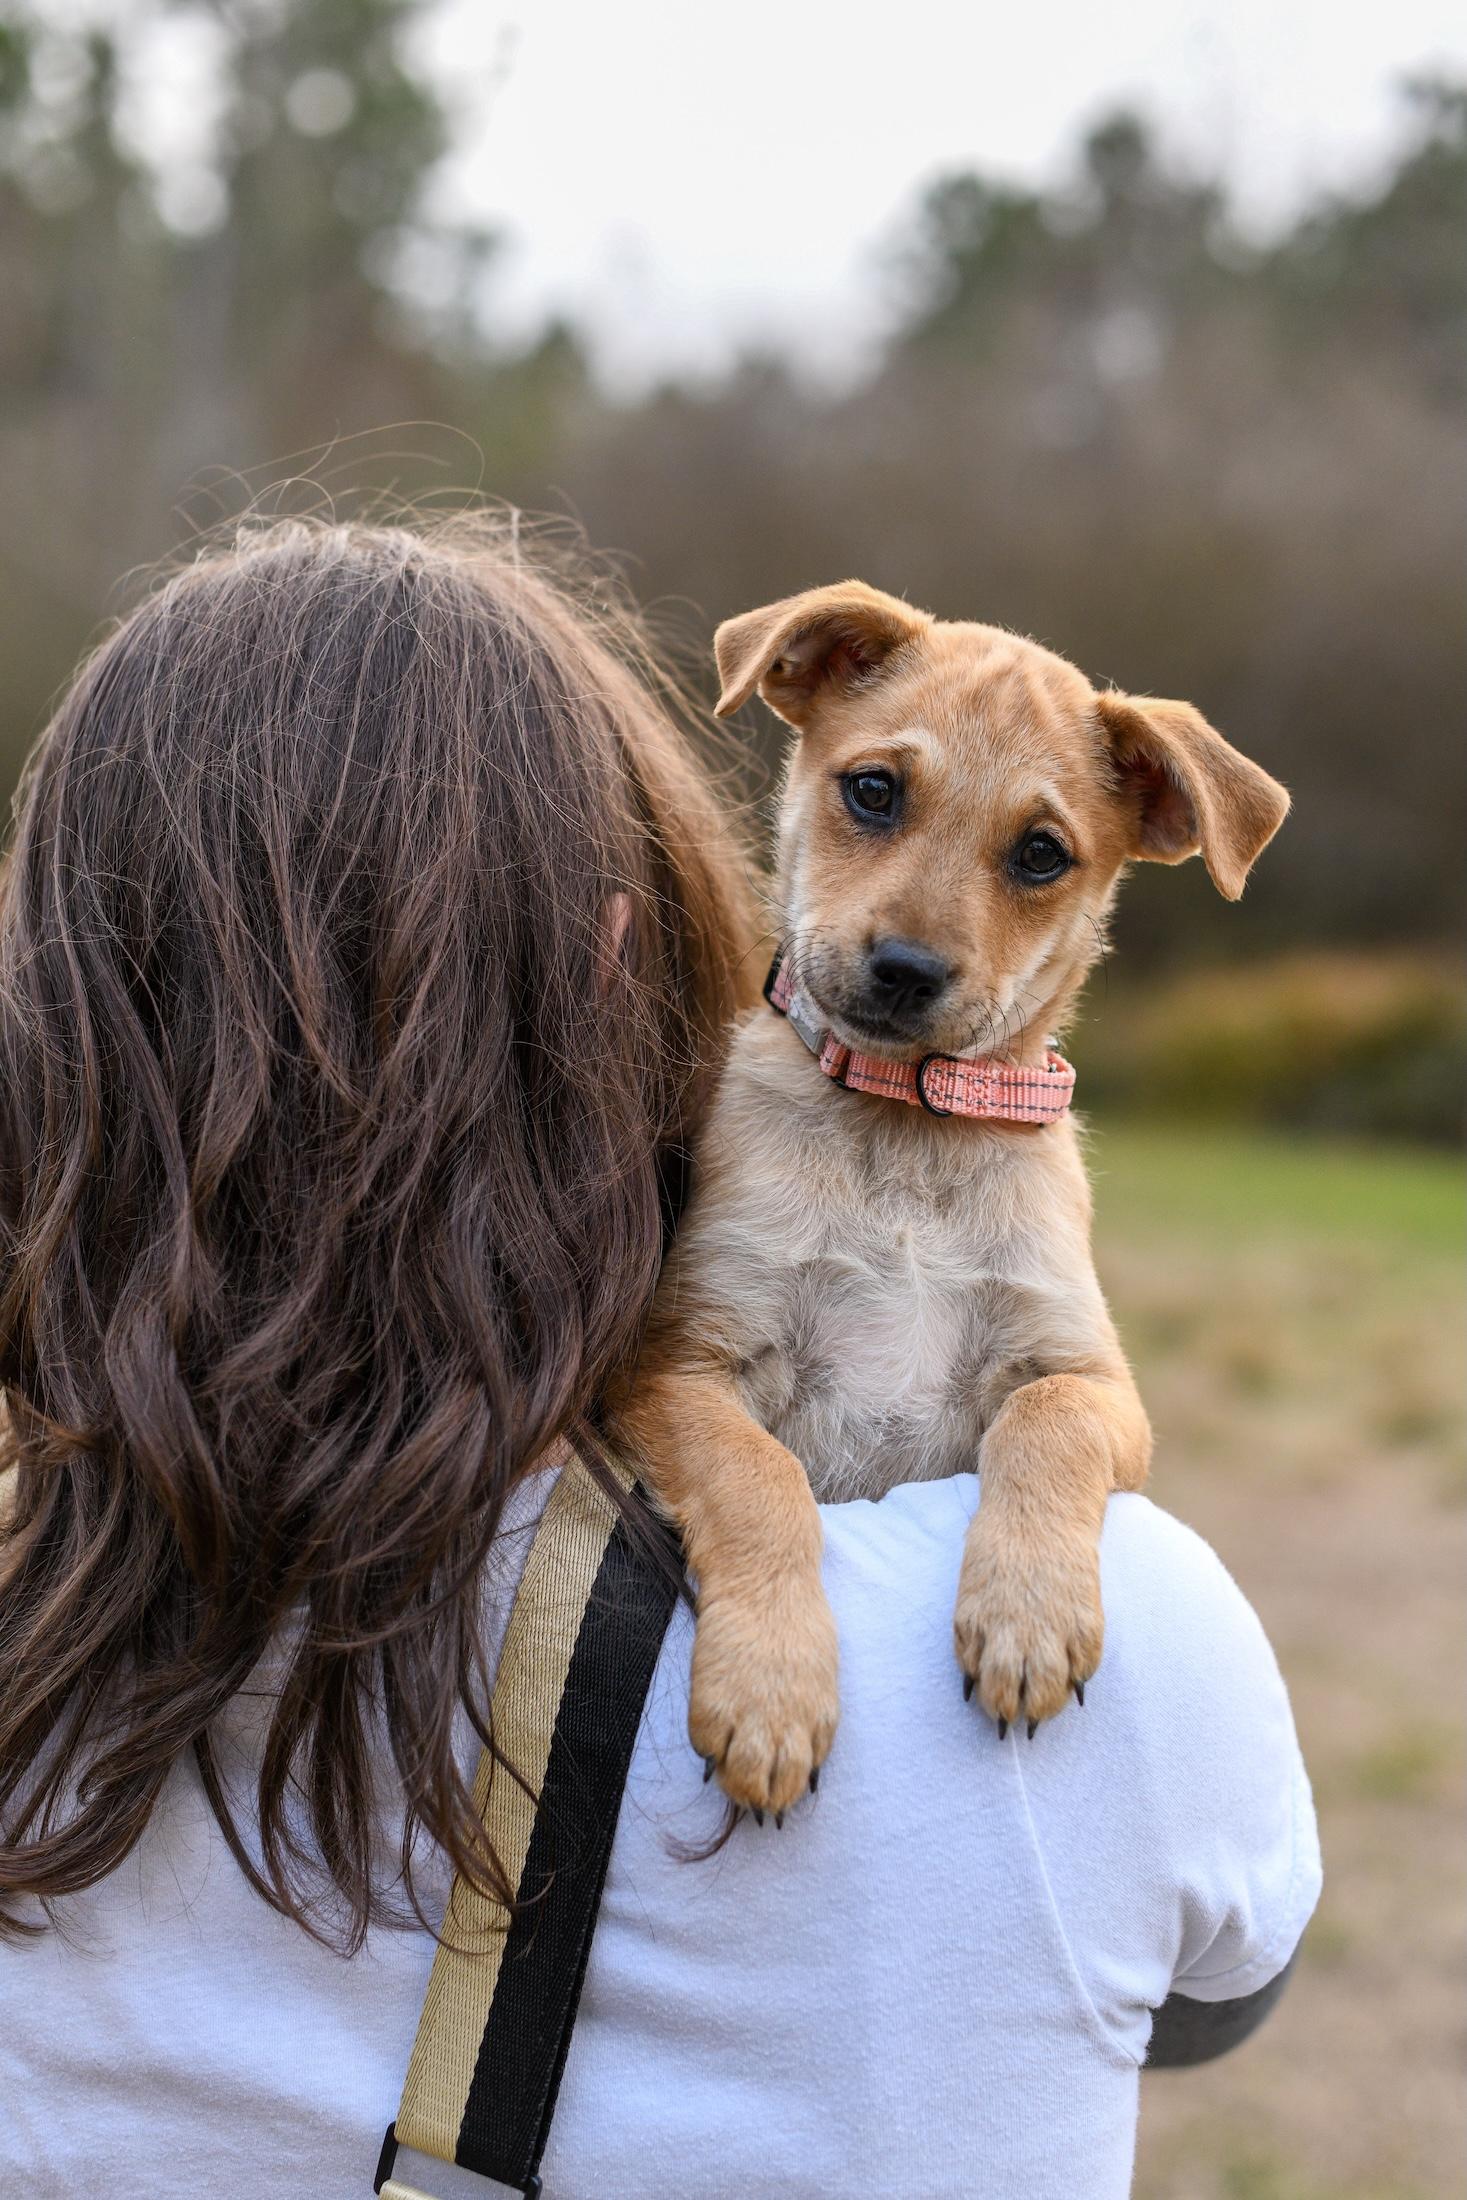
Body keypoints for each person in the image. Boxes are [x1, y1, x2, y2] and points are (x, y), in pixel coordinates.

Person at [0, 517, 1319, 2200]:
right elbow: (1206, 1999)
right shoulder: (1164, 1655)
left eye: (1033, 857)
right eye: (873, 798)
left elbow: (1079, 1394)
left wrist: (1052, 1480)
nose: (919, 928)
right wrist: (764, 1548)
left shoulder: (66, 1591)